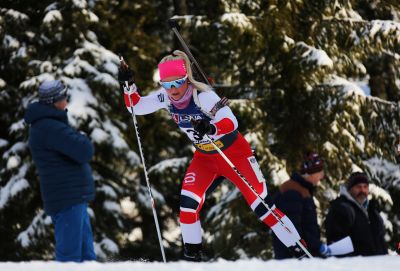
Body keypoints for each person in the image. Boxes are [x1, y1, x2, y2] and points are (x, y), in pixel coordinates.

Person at [119, 50, 305, 261]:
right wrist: (128, 85)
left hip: (234, 154)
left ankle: (300, 252)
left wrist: (210, 127)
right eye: (166, 84)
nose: (172, 90)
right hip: (205, 159)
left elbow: (231, 122)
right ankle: (193, 258)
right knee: (188, 205)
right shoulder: (165, 97)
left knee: (262, 207)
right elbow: (135, 106)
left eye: (177, 83)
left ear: (187, 79)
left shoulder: (204, 96)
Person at [24, 80, 96, 262]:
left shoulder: (49, 124)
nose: (67, 101)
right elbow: (84, 150)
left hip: (72, 197)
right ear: (53, 101)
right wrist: (82, 138)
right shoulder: (49, 127)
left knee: (86, 257)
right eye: (63, 97)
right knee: (70, 259)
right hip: (67, 198)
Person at [272, 152, 331, 259]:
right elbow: (292, 228)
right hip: (293, 257)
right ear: (311, 173)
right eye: (320, 173)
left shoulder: (302, 189)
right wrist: (314, 247)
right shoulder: (292, 191)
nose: (321, 177)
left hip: (302, 254)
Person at [325, 172, 388, 256]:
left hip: (377, 265)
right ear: (350, 188)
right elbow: (337, 245)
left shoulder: (372, 211)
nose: (362, 190)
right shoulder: (342, 209)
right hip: (354, 265)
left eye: (365, 187)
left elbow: (381, 241)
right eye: (358, 187)